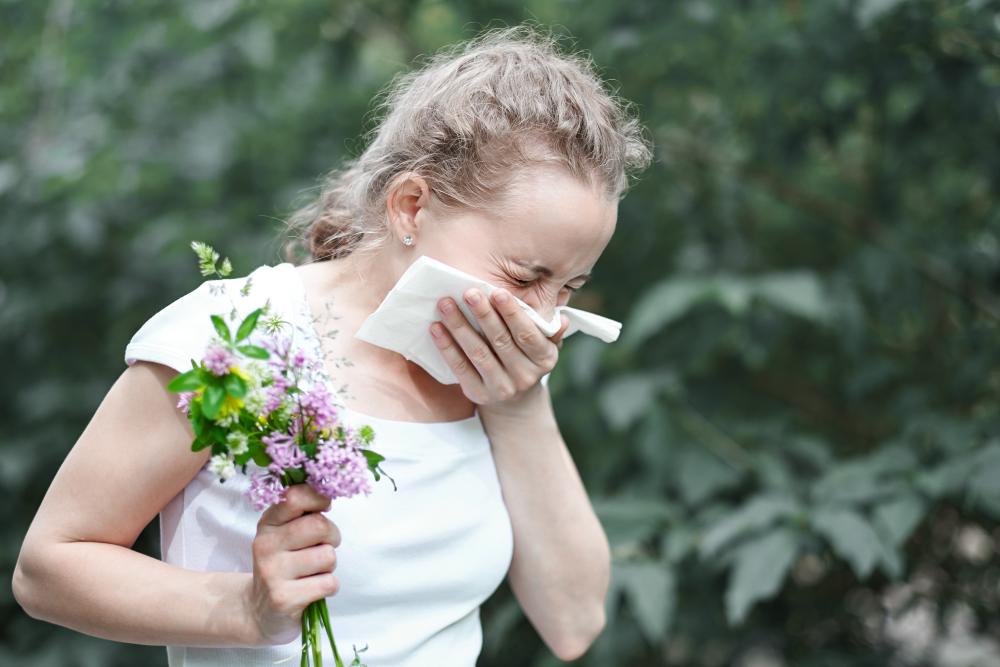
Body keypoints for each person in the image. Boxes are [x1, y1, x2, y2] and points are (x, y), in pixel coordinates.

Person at [13, 23, 652, 666]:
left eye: (569, 286)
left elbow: (574, 622)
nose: (542, 316)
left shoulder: (497, 374)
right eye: (524, 276)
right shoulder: (239, 339)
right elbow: (48, 569)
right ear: (409, 207)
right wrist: (246, 609)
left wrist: (519, 407)